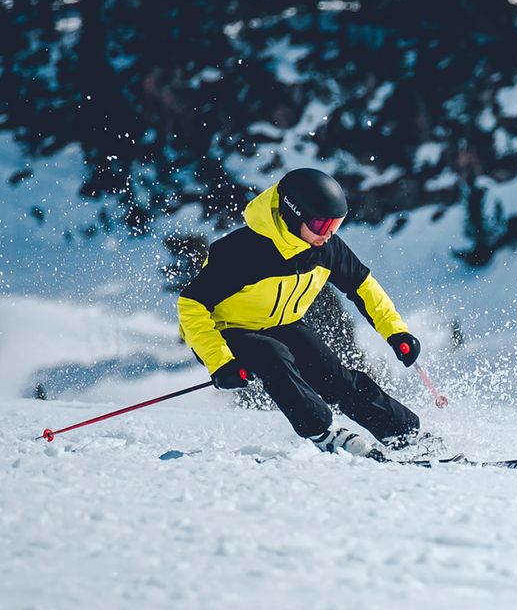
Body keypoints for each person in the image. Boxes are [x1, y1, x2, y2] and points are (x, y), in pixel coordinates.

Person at [177, 168, 426, 462]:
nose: (329, 234)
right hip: (227, 330)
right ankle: (323, 434)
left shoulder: (325, 247)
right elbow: (191, 305)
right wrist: (219, 362)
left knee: (336, 377)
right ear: (293, 215)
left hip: (282, 324)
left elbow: (363, 286)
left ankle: (405, 435)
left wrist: (396, 332)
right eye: (321, 225)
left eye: (336, 225)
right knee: (272, 354)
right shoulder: (244, 252)